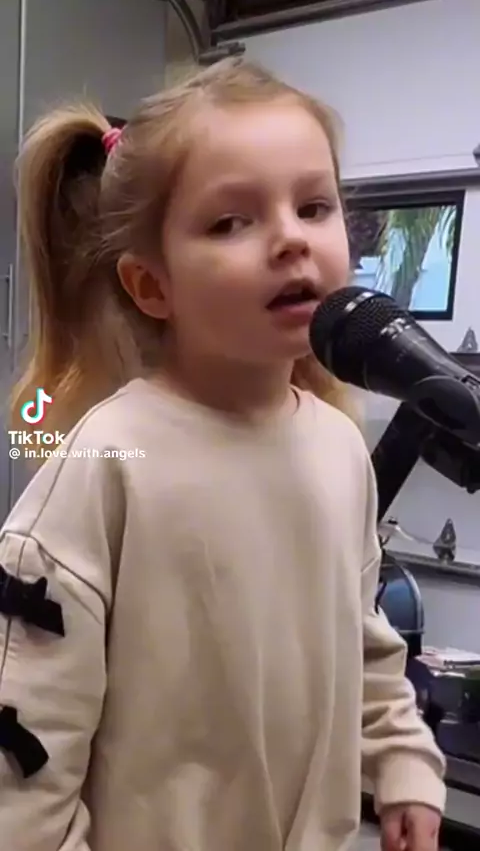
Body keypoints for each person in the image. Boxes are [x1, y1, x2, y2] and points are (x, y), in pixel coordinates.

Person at [0, 58, 445, 851]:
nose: (291, 238)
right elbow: (29, 727)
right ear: (152, 286)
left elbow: (364, 638)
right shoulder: (108, 460)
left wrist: (404, 760)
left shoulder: (341, 449)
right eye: (231, 222)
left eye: (314, 206)